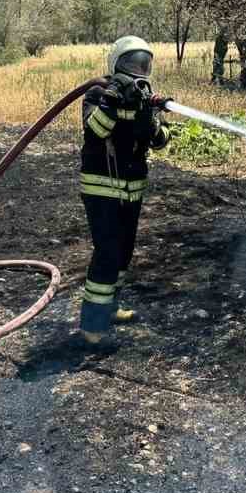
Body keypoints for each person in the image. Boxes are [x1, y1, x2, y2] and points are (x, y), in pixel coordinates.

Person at [79, 36, 170, 344]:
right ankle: (92, 326)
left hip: (132, 191)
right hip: (101, 189)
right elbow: (96, 131)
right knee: (107, 253)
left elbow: (159, 140)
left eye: (143, 64)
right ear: (116, 64)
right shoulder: (97, 93)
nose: (138, 70)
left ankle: (110, 308)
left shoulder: (142, 98)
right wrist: (114, 98)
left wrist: (150, 114)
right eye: (132, 64)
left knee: (124, 253)